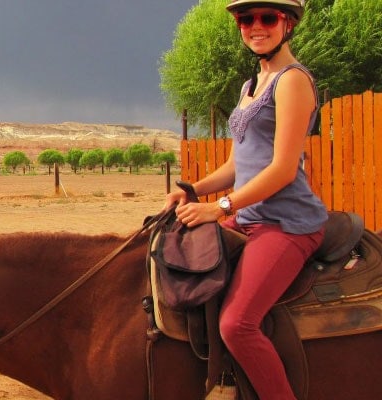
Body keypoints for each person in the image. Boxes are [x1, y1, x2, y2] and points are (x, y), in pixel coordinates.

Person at [164, 1, 326, 398]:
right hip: (247, 217)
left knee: (237, 323)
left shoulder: (292, 81)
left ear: (287, 24)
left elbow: (283, 170)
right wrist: (192, 190)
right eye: (246, 19)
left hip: (286, 223)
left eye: (267, 18)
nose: (256, 26)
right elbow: (238, 164)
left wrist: (218, 208)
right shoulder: (249, 86)